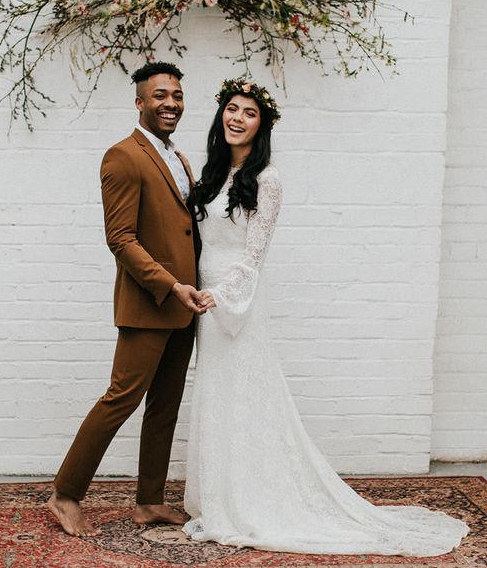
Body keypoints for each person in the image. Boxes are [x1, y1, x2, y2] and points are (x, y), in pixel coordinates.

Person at [183, 78, 470, 556]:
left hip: (234, 303)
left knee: (245, 398)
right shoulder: (210, 176)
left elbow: (254, 256)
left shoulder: (268, 180)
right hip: (203, 303)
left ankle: (252, 502)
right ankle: (218, 495)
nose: (237, 118)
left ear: (263, 125)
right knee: (216, 396)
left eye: (249, 113)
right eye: (231, 109)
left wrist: (219, 295)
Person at [48, 61, 207, 537]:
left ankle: (150, 501)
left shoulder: (177, 158)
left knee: (166, 405)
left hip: (185, 306)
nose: (171, 103)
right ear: (140, 102)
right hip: (149, 303)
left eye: (177, 95)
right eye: (160, 95)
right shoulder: (122, 156)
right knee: (121, 399)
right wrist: (168, 283)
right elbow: (120, 238)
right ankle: (65, 494)